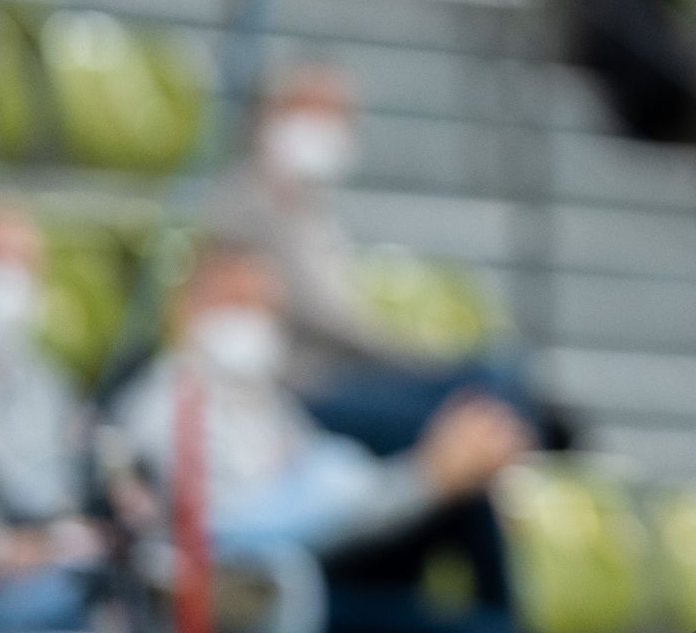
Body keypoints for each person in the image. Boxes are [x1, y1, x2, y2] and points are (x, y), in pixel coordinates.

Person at [111, 240, 531, 633]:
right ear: (182, 309)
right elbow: (236, 535)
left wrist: (433, 478)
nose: (249, 322)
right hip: (267, 592)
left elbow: (327, 472)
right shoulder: (167, 407)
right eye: (232, 303)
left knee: (472, 482)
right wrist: (424, 480)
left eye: (261, 307)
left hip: (325, 557)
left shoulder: (259, 395)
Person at [206, 64, 541, 457]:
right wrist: (418, 357)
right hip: (309, 387)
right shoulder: (252, 205)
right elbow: (330, 319)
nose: (324, 127)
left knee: (494, 384)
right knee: (483, 395)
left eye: (336, 115)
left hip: (347, 376)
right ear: (271, 114)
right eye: (309, 110)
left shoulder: (310, 209)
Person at [0, 202, 108, 632]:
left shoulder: (43, 380)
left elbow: (65, 481)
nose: (10, 279)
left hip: (48, 565)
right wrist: (23, 550)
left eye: (23, 265)